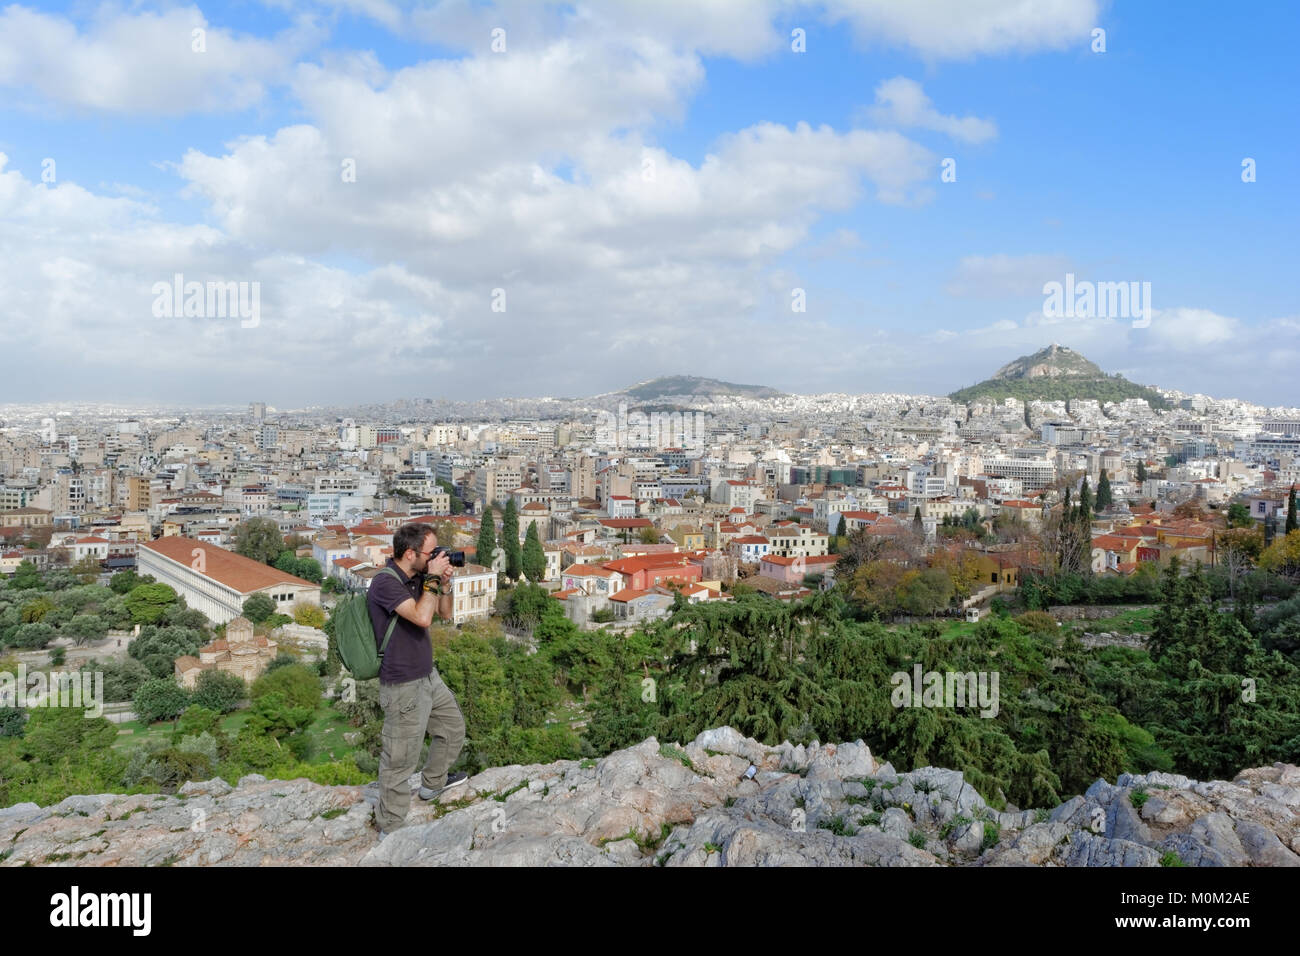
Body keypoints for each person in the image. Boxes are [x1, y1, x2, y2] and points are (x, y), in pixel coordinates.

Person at [367, 523, 468, 836]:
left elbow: (445, 615)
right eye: (431, 553)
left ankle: (432, 785)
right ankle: (391, 827)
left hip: (427, 675)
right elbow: (422, 617)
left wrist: (445, 583)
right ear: (410, 553)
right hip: (402, 685)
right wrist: (434, 577)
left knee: (452, 728)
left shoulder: (419, 577)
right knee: (399, 759)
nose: (437, 556)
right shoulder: (385, 583)